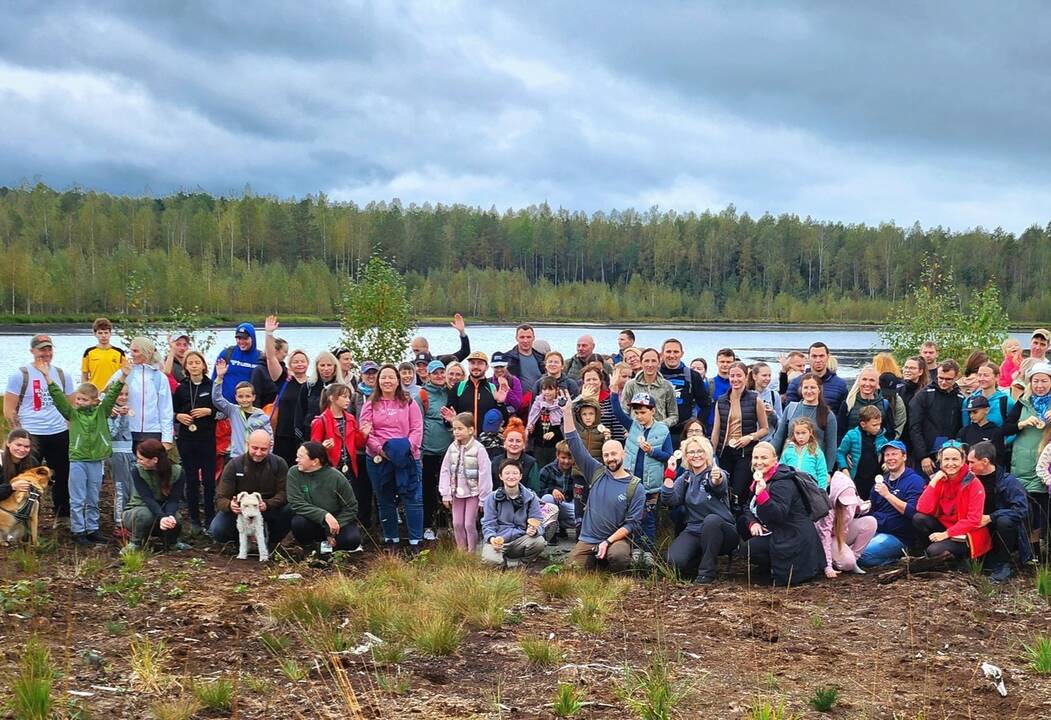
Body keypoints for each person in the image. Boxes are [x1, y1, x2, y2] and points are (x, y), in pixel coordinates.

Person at [47, 358, 128, 546]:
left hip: (96, 460)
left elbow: (112, 394)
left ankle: (92, 529)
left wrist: (123, 375)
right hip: (77, 460)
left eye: (84, 399)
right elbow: (59, 400)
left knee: (93, 497)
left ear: (94, 400)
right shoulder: (72, 414)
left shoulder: (102, 412)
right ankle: (78, 530)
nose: (80, 402)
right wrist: (49, 380)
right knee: (77, 498)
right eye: (78, 399)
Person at [562, 396, 645, 573]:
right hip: (588, 538)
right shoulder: (596, 472)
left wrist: (608, 541)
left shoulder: (635, 486)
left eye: (614, 454)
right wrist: (567, 412)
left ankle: (612, 571)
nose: (610, 458)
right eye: (606, 455)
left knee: (619, 557)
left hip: (616, 540)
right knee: (571, 570)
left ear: (623, 454)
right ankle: (595, 564)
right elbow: (574, 443)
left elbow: (632, 524)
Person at [4, 334, 75, 525]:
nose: (46, 353)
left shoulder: (62, 375)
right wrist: (17, 433)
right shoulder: (20, 375)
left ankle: (62, 515)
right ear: (32, 351)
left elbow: (71, 407)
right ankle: (23, 515)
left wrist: (71, 429)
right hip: (31, 434)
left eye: (49, 349)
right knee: (28, 476)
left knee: (63, 473)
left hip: (59, 432)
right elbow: (9, 407)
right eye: (42, 349)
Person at [739, 442, 825, 586]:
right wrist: (753, 522)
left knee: (748, 549)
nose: (759, 462)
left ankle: (779, 569)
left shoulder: (783, 482)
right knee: (743, 523)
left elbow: (779, 515)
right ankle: (768, 566)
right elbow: (748, 505)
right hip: (777, 529)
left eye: (764, 458)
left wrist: (763, 496)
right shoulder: (760, 479)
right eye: (755, 458)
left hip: (793, 535)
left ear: (775, 460)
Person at [361, 364, 424, 551]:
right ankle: (391, 540)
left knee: (413, 498)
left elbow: (417, 428)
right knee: (384, 499)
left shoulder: (409, 402)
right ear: (378, 381)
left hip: (408, 457)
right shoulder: (370, 404)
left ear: (398, 380)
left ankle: (415, 542)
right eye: (383, 377)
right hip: (379, 458)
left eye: (391, 377)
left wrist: (405, 450)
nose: (387, 381)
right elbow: (366, 431)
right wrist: (381, 450)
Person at [662, 435, 738, 584]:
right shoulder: (685, 478)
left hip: (723, 531)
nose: (696, 455)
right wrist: (669, 474)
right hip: (694, 530)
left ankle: (706, 573)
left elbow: (718, 483)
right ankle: (697, 560)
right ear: (686, 456)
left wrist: (717, 478)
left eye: (700, 451)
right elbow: (670, 499)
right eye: (691, 452)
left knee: (711, 521)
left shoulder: (715, 472)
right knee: (672, 562)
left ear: (707, 453)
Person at [608, 389, 672, 558]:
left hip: (651, 484)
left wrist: (652, 451)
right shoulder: (632, 426)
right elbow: (617, 412)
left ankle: (648, 551)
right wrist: (614, 392)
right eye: (636, 413)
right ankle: (635, 548)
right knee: (634, 517)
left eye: (643, 412)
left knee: (649, 518)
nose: (639, 416)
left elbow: (668, 455)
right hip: (632, 483)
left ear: (653, 411)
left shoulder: (663, 430)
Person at [210, 429, 294, 553]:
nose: (258, 453)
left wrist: (267, 504)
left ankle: (273, 542)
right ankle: (239, 541)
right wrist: (230, 505)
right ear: (247, 444)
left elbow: (284, 493)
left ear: (270, 447)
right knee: (217, 529)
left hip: (268, 507)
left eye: (263, 449)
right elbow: (220, 497)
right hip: (241, 511)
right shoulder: (234, 465)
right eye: (255, 448)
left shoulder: (279, 464)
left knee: (291, 508)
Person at [1000, 361, 1051, 553]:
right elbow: (1005, 429)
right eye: (1036, 381)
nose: (1039, 385)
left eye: (1044, 381)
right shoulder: (1023, 402)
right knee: (1027, 511)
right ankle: (1030, 552)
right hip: (1022, 464)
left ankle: (1045, 552)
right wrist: (1022, 424)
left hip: (1046, 466)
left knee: (1046, 512)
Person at [912, 441, 990, 561]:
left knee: (934, 551)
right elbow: (922, 508)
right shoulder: (940, 479)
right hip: (945, 526)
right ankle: (930, 556)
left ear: (963, 461)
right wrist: (933, 482)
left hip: (966, 533)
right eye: (946, 459)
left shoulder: (974, 483)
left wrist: (945, 534)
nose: (950, 463)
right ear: (940, 461)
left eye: (955, 459)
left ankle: (959, 560)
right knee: (919, 519)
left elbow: (973, 520)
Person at [967, 442, 1031, 582]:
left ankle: (1004, 564)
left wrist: (991, 517)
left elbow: (1021, 510)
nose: (968, 466)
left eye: (972, 462)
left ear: (985, 461)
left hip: (1000, 530)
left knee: (1005, 521)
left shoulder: (1009, 482)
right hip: (976, 527)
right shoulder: (968, 479)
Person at [710, 361, 769, 510]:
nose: (735, 379)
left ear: (746, 376)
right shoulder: (722, 400)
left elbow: (765, 429)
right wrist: (711, 454)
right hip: (725, 451)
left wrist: (750, 437)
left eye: (739, 376)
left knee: (738, 492)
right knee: (723, 490)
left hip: (745, 453)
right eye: (732, 376)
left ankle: (739, 522)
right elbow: (716, 430)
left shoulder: (755, 399)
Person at [858, 441, 926, 568]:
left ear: (904, 457)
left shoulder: (915, 481)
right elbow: (872, 508)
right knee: (847, 549)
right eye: (887, 455)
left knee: (862, 555)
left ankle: (899, 562)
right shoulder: (881, 481)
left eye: (894, 454)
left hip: (898, 537)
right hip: (876, 529)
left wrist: (888, 495)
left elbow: (913, 512)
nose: (890, 458)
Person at [172, 351, 217, 535]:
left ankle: (210, 519)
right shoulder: (181, 388)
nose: (194, 365)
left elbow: (222, 410)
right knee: (190, 481)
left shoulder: (212, 386)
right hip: (187, 439)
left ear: (204, 365)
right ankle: (194, 520)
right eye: (190, 363)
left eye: (197, 362)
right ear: (186, 367)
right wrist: (178, 416)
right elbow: (171, 411)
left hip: (207, 439)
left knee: (208, 481)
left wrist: (209, 411)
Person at [287, 441, 361, 552]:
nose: (296, 460)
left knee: (352, 540)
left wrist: (332, 529)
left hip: (336, 521)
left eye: (300, 457)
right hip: (312, 520)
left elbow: (351, 507)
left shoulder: (336, 477)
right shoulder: (294, 473)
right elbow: (296, 503)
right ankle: (309, 549)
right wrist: (324, 515)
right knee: (299, 523)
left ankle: (335, 551)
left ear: (315, 461)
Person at [122, 439, 189, 554]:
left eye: (141, 459)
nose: (139, 462)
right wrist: (162, 517)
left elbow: (174, 499)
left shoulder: (177, 471)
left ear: (155, 460)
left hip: (162, 510)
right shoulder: (137, 471)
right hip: (138, 510)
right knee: (145, 515)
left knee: (176, 519)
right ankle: (135, 542)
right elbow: (147, 498)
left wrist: (170, 516)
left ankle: (172, 542)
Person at [439, 412, 493, 552]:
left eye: (460, 428)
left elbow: (485, 474)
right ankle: (461, 551)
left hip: (473, 493)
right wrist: (445, 493)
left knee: (469, 524)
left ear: (471, 430)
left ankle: (471, 551)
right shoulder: (452, 448)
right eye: (454, 429)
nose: (456, 432)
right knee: (457, 523)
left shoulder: (479, 449)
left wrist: (483, 498)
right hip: (456, 492)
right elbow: (445, 470)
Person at [480, 459, 548, 567]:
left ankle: (523, 565)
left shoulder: (531, 497)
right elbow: (488, 523)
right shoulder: (491, 498)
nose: (511, 476)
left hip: (520, 539)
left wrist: (535, 530)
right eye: (507, 473)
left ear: (520, 476)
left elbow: (538, 521)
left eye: (515, 473)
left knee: (539, 542)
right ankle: (502, 564)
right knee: (490, 560)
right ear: (501, 476)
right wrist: (491, 538)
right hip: (499, 539)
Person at [815, 470, 877, 576]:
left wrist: (865, 507)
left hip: (844, 532)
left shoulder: (852, 502)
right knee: (847, 563)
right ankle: (840, 561)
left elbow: (859, 507)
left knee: (871, 521)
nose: (847, 505)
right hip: (831, 538)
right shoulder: (829, 511)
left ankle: (854, 557)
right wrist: (828, 567)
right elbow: (825, 538)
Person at [909, 359, 965, 477]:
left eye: (948, 379)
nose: (943, 382)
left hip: (950, 455)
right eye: (940, 378)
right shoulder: (924, 395)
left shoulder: (960, 397)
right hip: (927, 455)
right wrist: (923, 456)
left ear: (956, 377)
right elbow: (915, 427)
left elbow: (962, 428)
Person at [771, 373, 838, 471]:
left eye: (813, 387)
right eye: (806, 387)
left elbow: (831, 446)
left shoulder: (828, 415)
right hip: (789, 466)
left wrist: (828, 471)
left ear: (819, 390)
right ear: (801, 389)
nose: (809, 391)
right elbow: (779, 437)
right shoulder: (791, 408)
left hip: (813, 468)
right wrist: (769, 456)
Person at [212, 358, 272, 458]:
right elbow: (217, 399)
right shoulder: (233, 411)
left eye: (248, 396)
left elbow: (269, 439)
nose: (244, 400)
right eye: (240, 396)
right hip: (236, 456)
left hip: (256, 457)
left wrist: (267, 456)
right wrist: (219, 377)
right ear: (235, 397)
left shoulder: (262, 417)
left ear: (254, 397)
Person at [420, 360, 452, 542]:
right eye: (435, 373)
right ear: (429, 375)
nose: (439, 376)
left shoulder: (449, 392)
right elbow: (417, 422)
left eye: (442, 372)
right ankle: (427, 526)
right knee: (428, 490)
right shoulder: (423, 394)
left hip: (447, 450)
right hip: (428, 451)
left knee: (446, 489)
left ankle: (444, 525)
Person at [660, 338, 711, 444]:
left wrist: (696, 426)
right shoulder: (656, 374)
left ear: (682, 353)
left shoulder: (692, 376)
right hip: (659, 431)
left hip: (683, 432)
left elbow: (705, 405)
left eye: (676, 352)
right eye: (668, 351)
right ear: (662, 353)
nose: (672, 355)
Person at [444, 351, 508, 435]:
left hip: (486, 440)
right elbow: (447, 420)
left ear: (487, 367)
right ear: (468, 366)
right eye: (472, 363)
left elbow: (504, 422)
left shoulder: (493, 388)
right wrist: (452, 420)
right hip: (464, 440)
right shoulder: (459, 387)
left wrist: (500, 403)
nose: (476, 366)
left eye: (480, 363)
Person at [838, 365, 904, 441]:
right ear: (859, 381)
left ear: (877, 384)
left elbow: (890, 433)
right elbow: (840, 432)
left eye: (872, 380)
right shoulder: (848, 403)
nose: (867, 383)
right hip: (853, 450)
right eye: (864, 379)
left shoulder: (884, 404)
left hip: (877, 450)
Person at [836, 405, 889, 501]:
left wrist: (886, 462)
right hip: (857, 478)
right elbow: (840, 453)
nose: (878, 428)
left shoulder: (883, 438)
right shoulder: (851, 435)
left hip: (875, 479)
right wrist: (844, 469)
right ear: (863, 424)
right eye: (874, 425)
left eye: (879, 424)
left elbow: (887, 453)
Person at [785, 342, 849, 413]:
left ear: (828, 357)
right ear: (808, 358)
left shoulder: (840, 385)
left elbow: (843, 415)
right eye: (814, 356)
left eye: (821, 356)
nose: (818, 360)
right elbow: (790, 414)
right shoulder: (796, 383)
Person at [271, 349, 310, 467]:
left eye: (302, 361)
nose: (299, 364)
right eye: (296, 362)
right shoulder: (284, 380)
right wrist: (269, 334)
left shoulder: (312, 384)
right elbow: (270, 358)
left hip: (304, 433)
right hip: (283, 432)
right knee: (282, 467)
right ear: (290, 365)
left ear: (308, 364)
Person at [622, 348, 677, 428]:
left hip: (658, 433)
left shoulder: (667, 386)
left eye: (653, 361)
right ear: (641, 363)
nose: (650, 365)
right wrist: (628, 428)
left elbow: (674, 415)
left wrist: (659, 426)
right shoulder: (631, 385)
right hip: (636, 431)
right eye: (646, 361)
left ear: (659, 363)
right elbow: (624, 411)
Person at [297, 350, 345, 440]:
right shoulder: (308, 386)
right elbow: (300, 411)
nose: (326, 368)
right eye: (322, 365)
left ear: (335, 367)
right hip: (310, 432)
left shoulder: (341, 387)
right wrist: (299, 435)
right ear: (317, 367)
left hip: (334, 433)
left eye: (329, 365)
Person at [107, 385, 134, 539]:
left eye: (126, 394)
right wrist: (117, 417)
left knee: (130, 488)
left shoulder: (125, 409)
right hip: (117, 453)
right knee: (121, 489)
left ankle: (128, 520)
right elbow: (112, 433)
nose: (123, 397)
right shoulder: (111, 412)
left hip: (128, 451)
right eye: (120, 394)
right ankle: (119, 524)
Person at [489, 417, 540, 493]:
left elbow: (534, 490)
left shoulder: (531, 463)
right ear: (504, 443)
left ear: (524, 445)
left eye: (518, 441)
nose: (514, 444)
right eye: (511, 440)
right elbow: (491, 487)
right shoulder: (496, 462)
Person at [779, 417, 829, 489]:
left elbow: (822, 474)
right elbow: (781, 469)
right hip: (791, 487)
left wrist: (822, 492)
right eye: (797, 433)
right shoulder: (788, 450)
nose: (800, 436)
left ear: (810, 432)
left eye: (803, 433)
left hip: (810, 488)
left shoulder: (816, 451)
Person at [961, 361, 1012, 431]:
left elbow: (1012, 428)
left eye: (986, 375)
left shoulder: (1006, 402)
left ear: (997, 377)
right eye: (979, 375)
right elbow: (966, 429)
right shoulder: (969, 401)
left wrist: (1003, 441)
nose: (982, 378)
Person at [539, 441, 576, 538]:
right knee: (547, 498)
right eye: (563, 458)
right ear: (557, 455)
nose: (566, 461)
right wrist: (552, 490)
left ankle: (560, 525)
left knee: (582, 516)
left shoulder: (577, 471)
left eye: (569, 458)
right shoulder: (547, 470)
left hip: (568, 505)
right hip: (551, 505)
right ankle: (551, 533)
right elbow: (538, 492)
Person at [526, 377, 564, 469]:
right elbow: (532, 423)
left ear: (556, 390)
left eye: (550, 389)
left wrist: (554, 433)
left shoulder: (562, 406)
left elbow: (564, 428)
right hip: (539, 447)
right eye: (544, 389)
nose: (547, 392)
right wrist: (531, 429)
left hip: (555, 447)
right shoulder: (537, 404)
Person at [251, 315, 289, 408]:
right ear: (275, 350)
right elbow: (255, 395)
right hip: (265, 412)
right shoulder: (259, 370)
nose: (286, 355)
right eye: (285, 351)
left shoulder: (284, 370)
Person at [957, 395, 1006, 462]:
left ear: (986, 410)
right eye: (969, 412)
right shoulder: (964, 431)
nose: (971, 415)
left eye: (975, 412)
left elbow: (999, 457)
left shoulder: (996, 431)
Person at [81, 317, 125, 390]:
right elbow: (84, 376)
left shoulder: (119, 352)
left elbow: (125, 374)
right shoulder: (89, 352)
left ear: (110, 333)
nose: (103, 336)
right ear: (95, 334)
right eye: (100, 333)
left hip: (113, 392)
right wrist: (85, 392)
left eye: (106, 333)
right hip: (94, 392)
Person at [505, 324, 545, 393]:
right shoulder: (507, 358)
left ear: (533, 338)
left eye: (528, 337)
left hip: (539, 400)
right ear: (516, 338)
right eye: (522, 337)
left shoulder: (541, 357)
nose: (525, 341)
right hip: (517, 399)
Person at [0, 429, 37, 501]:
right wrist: (11, 487)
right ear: (8, 443)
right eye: (18, 445)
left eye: (26, 446)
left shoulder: (32, 462)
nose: (22, 449)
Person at [749, 362, 781, 441]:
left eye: (769, 375)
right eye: (764, 375)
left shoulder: (774, 395)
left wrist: (772, 414)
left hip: (768, 441)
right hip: (750, 440)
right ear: (754, 376)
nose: (767, 379)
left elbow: (780, 424)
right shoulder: (747, 394)